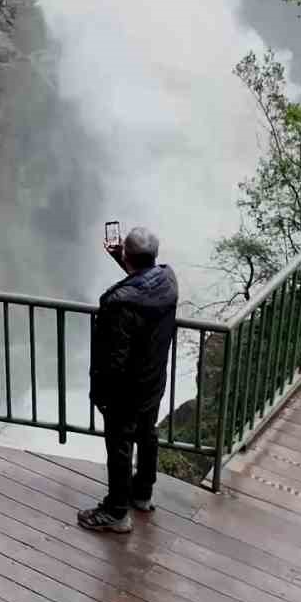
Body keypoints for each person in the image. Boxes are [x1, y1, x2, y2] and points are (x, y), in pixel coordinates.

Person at [77, 226, 179, 534]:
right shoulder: (168, 280)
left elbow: (114, 358)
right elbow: (144, 288)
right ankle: (142, 494)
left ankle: (117, 512)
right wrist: (123, 260)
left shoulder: (117, 303)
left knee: (120, 445)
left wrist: (102, 394)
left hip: (126, 390)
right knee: (147, 434)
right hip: (153, 380)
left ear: (128, 255)